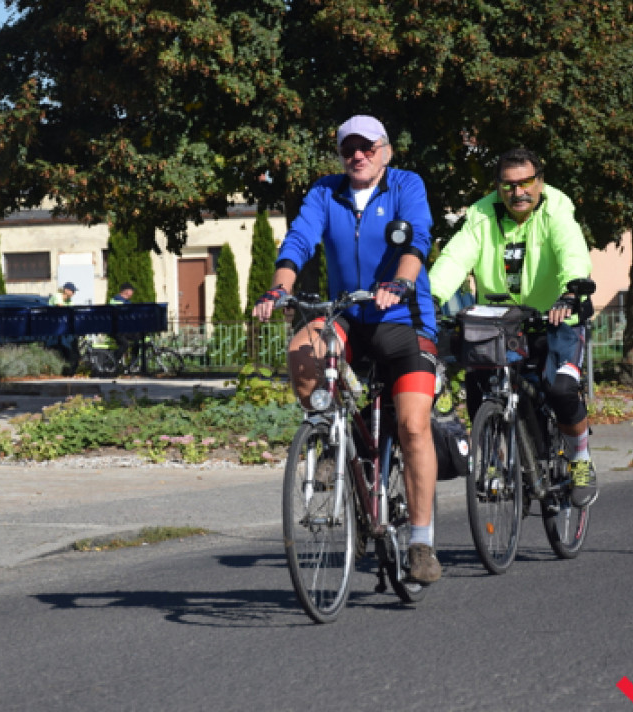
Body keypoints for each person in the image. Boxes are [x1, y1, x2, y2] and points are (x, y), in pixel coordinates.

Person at [253, 114, 442, 584]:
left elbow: (418, 237)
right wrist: (279, 288)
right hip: (349, 316)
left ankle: (421, 541)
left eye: (368, 148)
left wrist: (401, 282)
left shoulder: (405, 185)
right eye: (348, 149)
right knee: (303, 346)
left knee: (413, 426)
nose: (358, 156)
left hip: (403, 320)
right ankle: (329, 435)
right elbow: (299, 240)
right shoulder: (324, 192)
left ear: (385, 150)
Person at [429, 147, 598, 507]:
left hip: (556, 318)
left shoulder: (556, 210)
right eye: (508, 185)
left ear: (540, 181)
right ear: (497, 186)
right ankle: (495, 462)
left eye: (525, 183)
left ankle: (580, 460)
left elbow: (572, 252)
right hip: (500, 324)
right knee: (481, 386)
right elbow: (454, 258)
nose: (517, 193)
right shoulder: (481, 215)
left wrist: (571, 293)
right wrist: (428, 298)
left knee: (562, 388)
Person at [108, 282, 138, 366]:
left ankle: (133, 364)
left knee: (138, 339)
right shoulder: (117, 301)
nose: (133, 293)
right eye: (132, 291)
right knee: (125, 344)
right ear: (127, 291)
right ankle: (113, 362)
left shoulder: (126, 302)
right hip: (116, 329)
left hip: (123, 329)